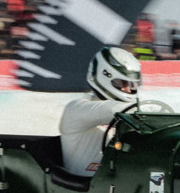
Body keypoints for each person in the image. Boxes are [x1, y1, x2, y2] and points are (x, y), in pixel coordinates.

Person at [61, 47, 143, 175]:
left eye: (131, 84)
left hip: (118, 184)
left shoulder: (128, 114)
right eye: (122, 83)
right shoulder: (75, 109)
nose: (128, 90)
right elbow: (112, 109)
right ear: (105, 76)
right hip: (87, 190)